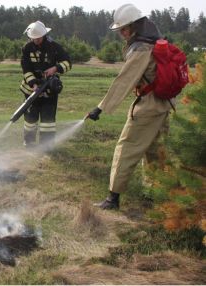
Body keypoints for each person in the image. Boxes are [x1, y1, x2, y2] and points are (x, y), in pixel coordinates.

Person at [86, 4, 170, 210]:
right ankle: (155, 193)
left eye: (124, 29)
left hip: (149, 105)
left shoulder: (141, 48)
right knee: (154, 150)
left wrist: (101, 107)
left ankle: (113, 198)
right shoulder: (154, 42)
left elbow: (124, 80)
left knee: (126, 147)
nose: (121, 34)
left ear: (135, 26)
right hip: (163, 104)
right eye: (120, 30)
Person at [20, 20, 72, 148]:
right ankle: (29, 143)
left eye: (38, 38)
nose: (35, 41)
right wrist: (33, 85)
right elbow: (26, 69)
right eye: (33, 38)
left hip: (49, 89)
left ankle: (46, 146)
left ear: (43, 35)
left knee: (48, 121)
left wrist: (55, 68)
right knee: (30, 119)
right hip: (31, 89)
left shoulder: (54, 47)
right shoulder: (27, 48)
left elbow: (68, 63)